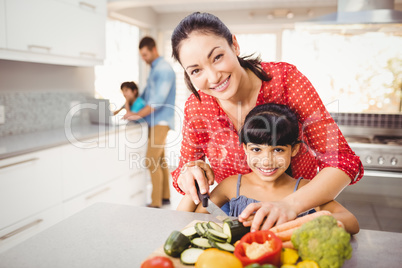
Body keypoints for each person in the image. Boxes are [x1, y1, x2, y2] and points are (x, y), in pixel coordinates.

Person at [170, 12, 364, 231]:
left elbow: (342, 160)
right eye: (196, 70)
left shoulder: (286, 81)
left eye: (217, 57)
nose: (214, 77)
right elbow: (183, 174)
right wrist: (190, 172)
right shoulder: (197, 106)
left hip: (297, 215)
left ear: (234, 45)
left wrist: (290, 205)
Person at [177, 103, 360, 235]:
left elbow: (351, 223)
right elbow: (192, 219)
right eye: (257, 149)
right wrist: (194, 182)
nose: (266, 161)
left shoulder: (306, 189)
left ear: (294, 149)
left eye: (278, 150)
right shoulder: (232, 186)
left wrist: (303, 223)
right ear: (245, 149)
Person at [124, 36, 176, 208]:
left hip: (161, 121)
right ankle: (165, 196)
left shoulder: (163, 70)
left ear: (154, 50)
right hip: (155, 121)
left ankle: (155, 203)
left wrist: (136, 115)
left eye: (145, 55)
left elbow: (156, 102)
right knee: (160, 160)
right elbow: (146, 96)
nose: (144, 59)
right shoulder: (154, 69)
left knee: (151, 159)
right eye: (142, 56)